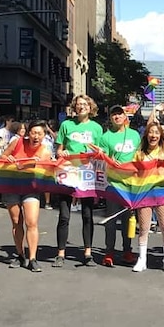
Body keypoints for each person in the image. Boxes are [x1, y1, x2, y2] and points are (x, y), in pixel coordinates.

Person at [54, 94, 103, 267]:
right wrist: (62, 153)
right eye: (78, 104)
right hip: (67, 171)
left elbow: (100, 152)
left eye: (85, 104)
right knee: (64, 215)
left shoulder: (97, 128)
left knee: (87, 215)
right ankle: (60, 253)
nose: (81, 107)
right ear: (74, 108)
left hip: (87, 173)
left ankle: (88, 252)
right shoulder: (66, 125)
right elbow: (58, 150)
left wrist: (98, 152)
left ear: (90, 108)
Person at [3, 120, 53, 272]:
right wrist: (9, 159)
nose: (36, 136)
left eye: (39, 133)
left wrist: (29, 165)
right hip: (12, 186)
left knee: (31, 222)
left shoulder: (45, 151)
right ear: (27, 133)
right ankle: (20, 255)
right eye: (33, 133)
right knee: (16, 222)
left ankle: (32, 258)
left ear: (44, 135)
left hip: (31, 188)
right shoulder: (17, 142)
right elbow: (3, 156)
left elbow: (43, 171)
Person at [98, 104, 141, 267]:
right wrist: (109, 162)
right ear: (110, 118)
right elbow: (101, 160)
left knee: (128, 219)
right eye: (113, 114)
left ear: (125, 117)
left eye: (119, 114)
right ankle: (109, 252)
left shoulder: (134, 135)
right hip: (113, 184)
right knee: (111, 219)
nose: (117, 117)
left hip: (131, 184)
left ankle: (127, 250)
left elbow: (139, 155)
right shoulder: (105, 137)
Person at [132, 122, 164, 272]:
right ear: (146, 135)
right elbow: (134, 172)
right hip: (144, 194)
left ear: (161, 136)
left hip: (163, 193)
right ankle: (142, 259)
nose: (153, 136)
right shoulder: (140, 153)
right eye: (151, 133)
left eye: (157, 133)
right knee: (144, 228)